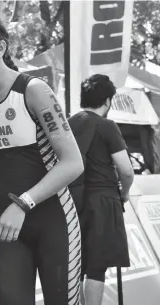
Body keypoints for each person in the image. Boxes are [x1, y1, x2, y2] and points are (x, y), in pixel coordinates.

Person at [0, 11, 83, 305]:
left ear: (0, 49)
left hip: (54, 222)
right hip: (7, 229)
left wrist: (23, 203)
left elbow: (73, 162)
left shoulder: (33, 91)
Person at [68, 75, 133, 305]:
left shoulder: (68, 123)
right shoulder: (106, 125)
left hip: (71, 201)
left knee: (76, 264)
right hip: (102, 201)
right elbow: (126, 170)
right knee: (96, 267)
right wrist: (124, 193)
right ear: (107, 101)